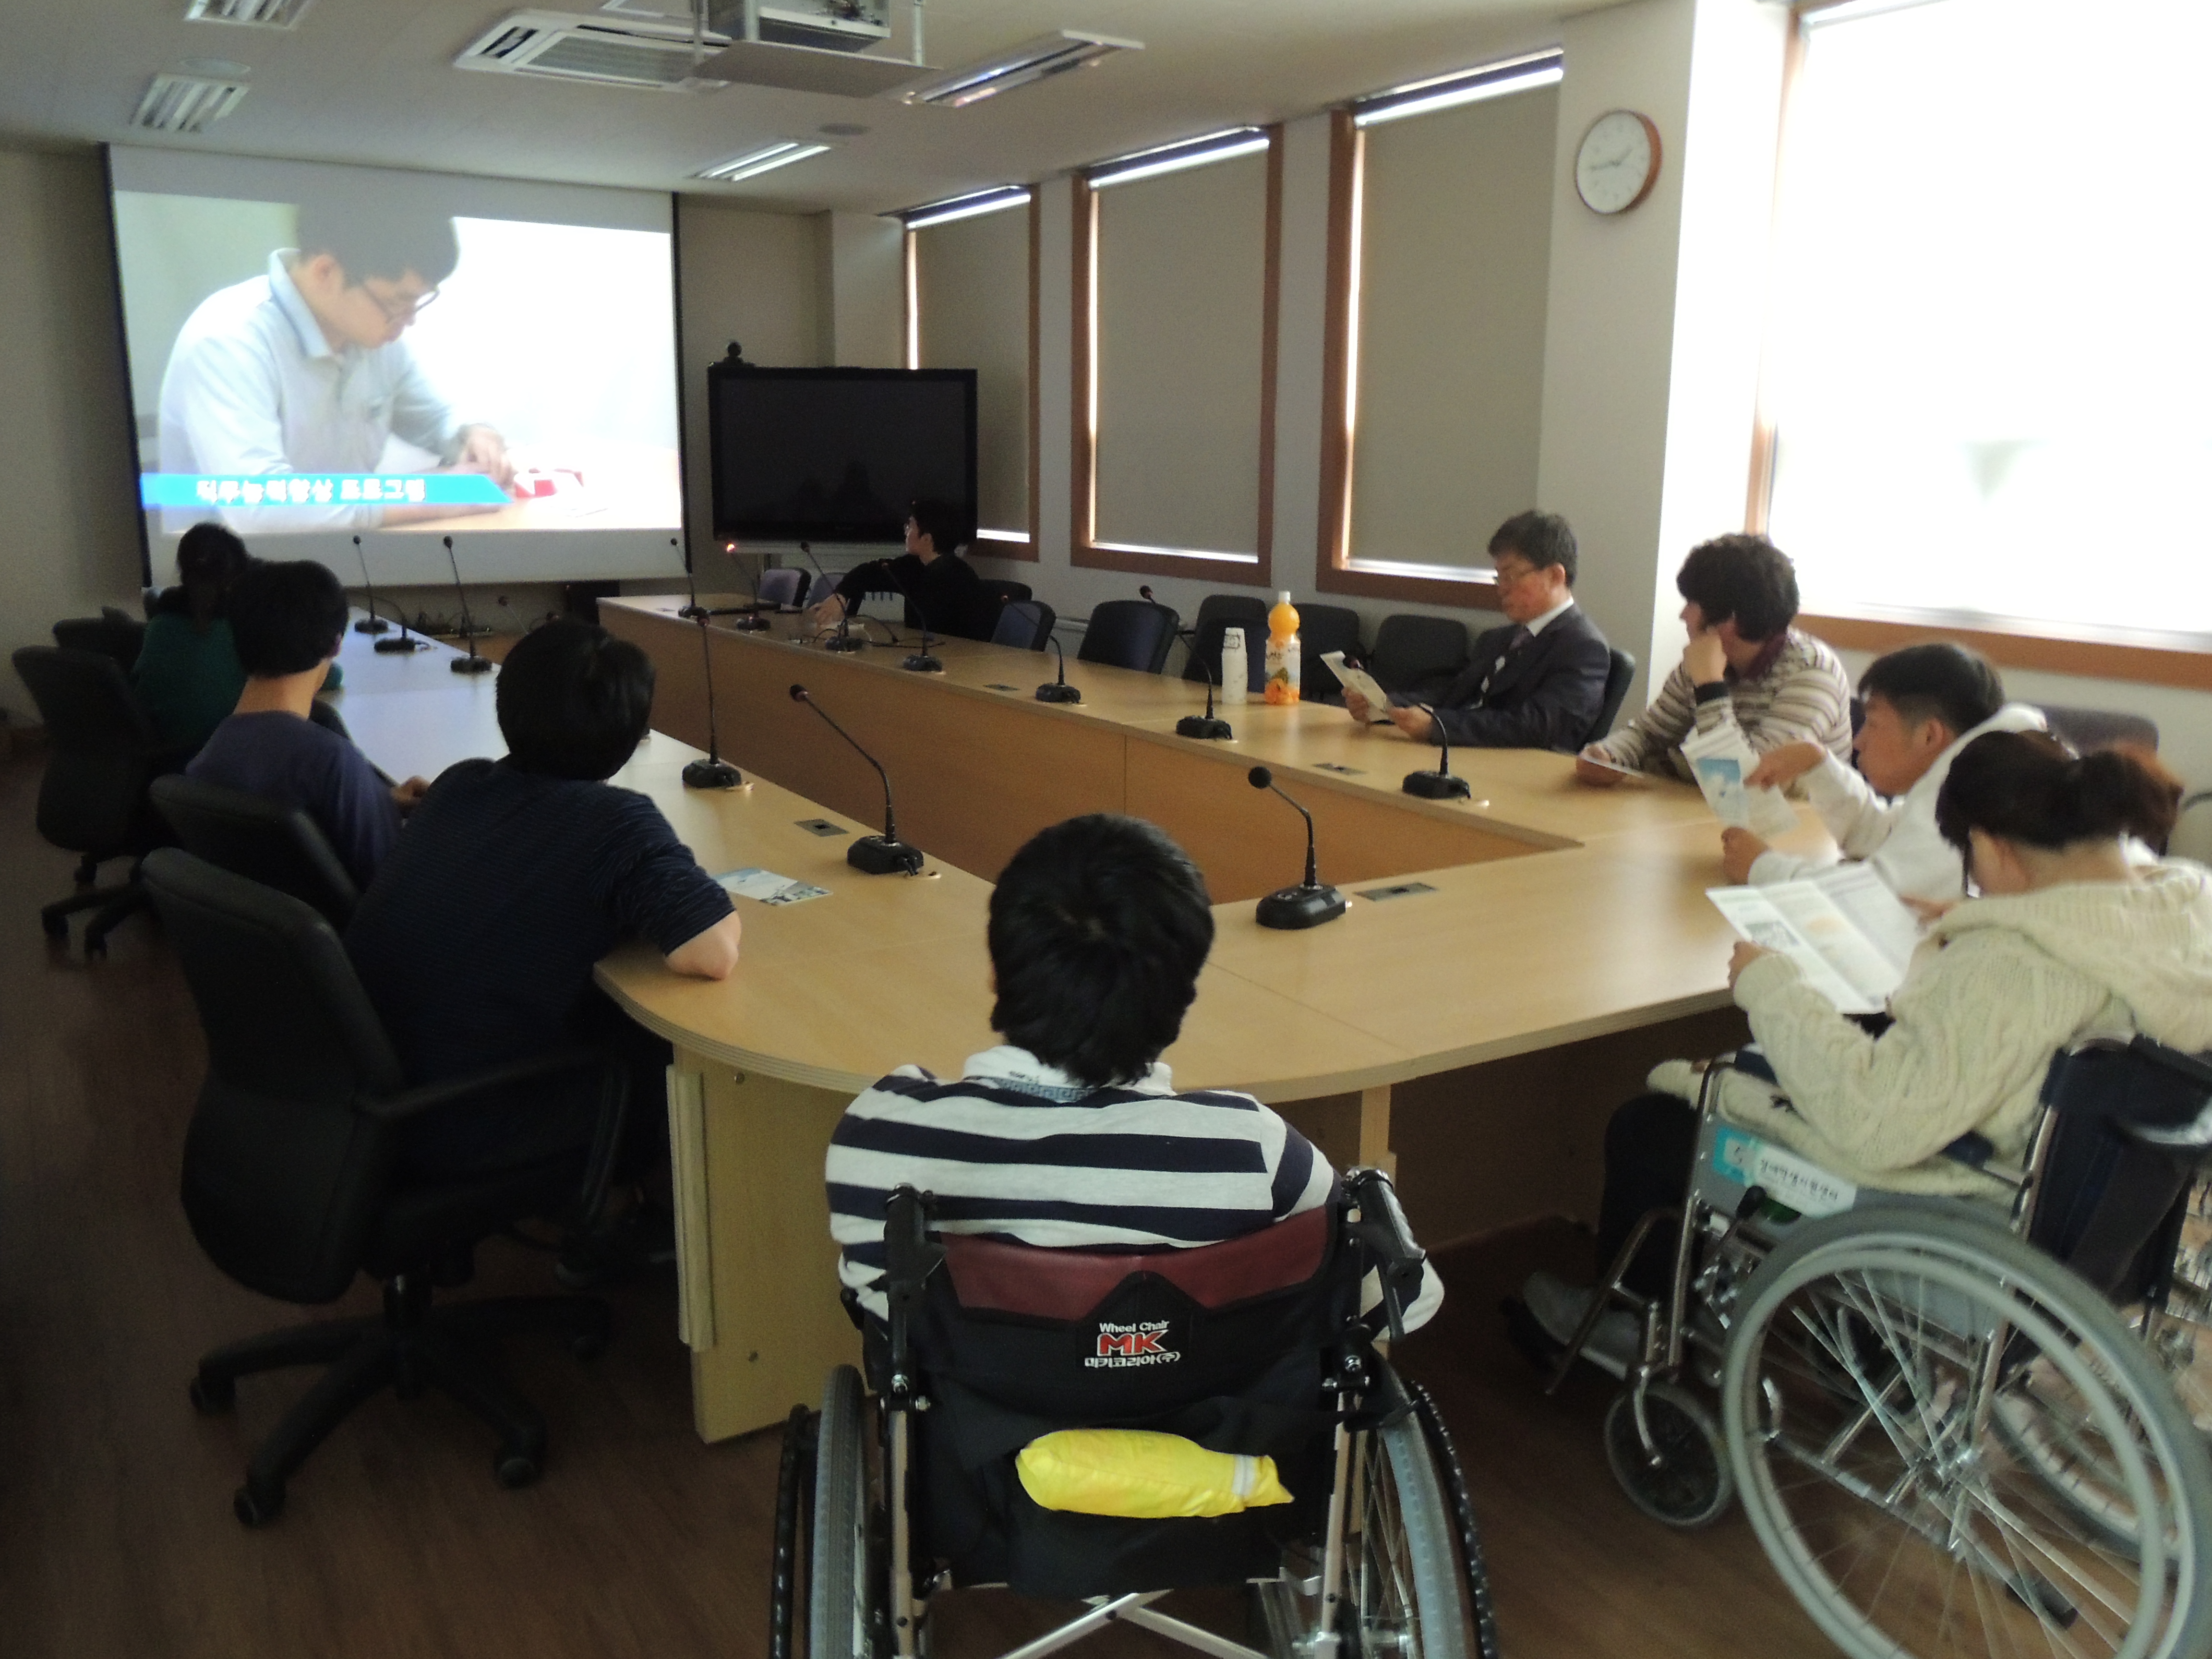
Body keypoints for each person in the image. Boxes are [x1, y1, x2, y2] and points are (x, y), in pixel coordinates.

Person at [1522, 731, 2212, 1372]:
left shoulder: (2013, 966)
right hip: (2104, 1235)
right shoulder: (2186, 915)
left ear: (1992, 847)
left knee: (1652, 1127)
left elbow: (1876, 1121)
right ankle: (1859, 1352)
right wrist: (1989, 920)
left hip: (1966, 1212)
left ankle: (1635, 1327)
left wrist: (1771, 987)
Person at [825, 812, 1442, 1330]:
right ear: (1182, 998)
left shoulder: (881, 1137)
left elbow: (880, 1310)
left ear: (995, 970)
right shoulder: (1255, 1150)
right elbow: (1408, 1303)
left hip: (975, 1433)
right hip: (1203, 1430)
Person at [345, 619, 742, 1180]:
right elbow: (712, 953)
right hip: (461, 1119)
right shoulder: (614, 823)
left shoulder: (461, 783)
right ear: (632, 732)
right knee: (655, 1048)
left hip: (368, 1093)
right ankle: (631, 1207)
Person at [156, 190, 512, 534]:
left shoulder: (372, 338)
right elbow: (261, 507)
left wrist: (473, 434)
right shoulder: (228, 340)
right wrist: (429, 494)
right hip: (230, 567)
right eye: (397, 303)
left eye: (418, 302)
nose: (409, 320)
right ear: (325, 272)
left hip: (343, 552)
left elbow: (436, 418)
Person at [1719, 641, 2047, 904]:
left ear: (1929, 736)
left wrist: (1763, 868)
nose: (1859, 741)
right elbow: (1885, 837)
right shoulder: (1981, 769)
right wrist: (1817, 765)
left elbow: (1878, 899)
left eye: (1873, 724)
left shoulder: (1978, 793)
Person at [187, 559, 424, 890]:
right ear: (336, 644)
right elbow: (400, 887)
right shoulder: (331, 762)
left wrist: (373, 801)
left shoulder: (208, 757)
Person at [1576, 533, 1851, 785]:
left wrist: (1710, 687)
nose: (1683, 615)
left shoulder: (1812, 672)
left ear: (1729, 619)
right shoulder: (1706, 659)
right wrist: (1608, 755)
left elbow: (1750, 781)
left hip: (1793, 821)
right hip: (1708, 811)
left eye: (1692, 604)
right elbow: (1650, 735)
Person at [1345, 510, 1611, 753]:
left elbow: (1535, 726)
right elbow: (1454, 694)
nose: (1502, 588)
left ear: (1555, 576)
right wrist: (1386, 705)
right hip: (1463, 754)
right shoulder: (1499, 639)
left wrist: (1438, 726)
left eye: (1511, 576)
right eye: (1499, 577)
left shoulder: (1584, 648)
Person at [132, 522, 254, 753]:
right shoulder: (245, 628)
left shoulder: (159, 625)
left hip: (168, 753)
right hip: (232, 754)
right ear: (238, 573)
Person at [805, 498, 990, 642]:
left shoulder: (959, 578)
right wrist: (840, 597)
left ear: (927, 539)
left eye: (911, 526)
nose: (906, 531)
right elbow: (866, 573)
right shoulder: (913, 565)